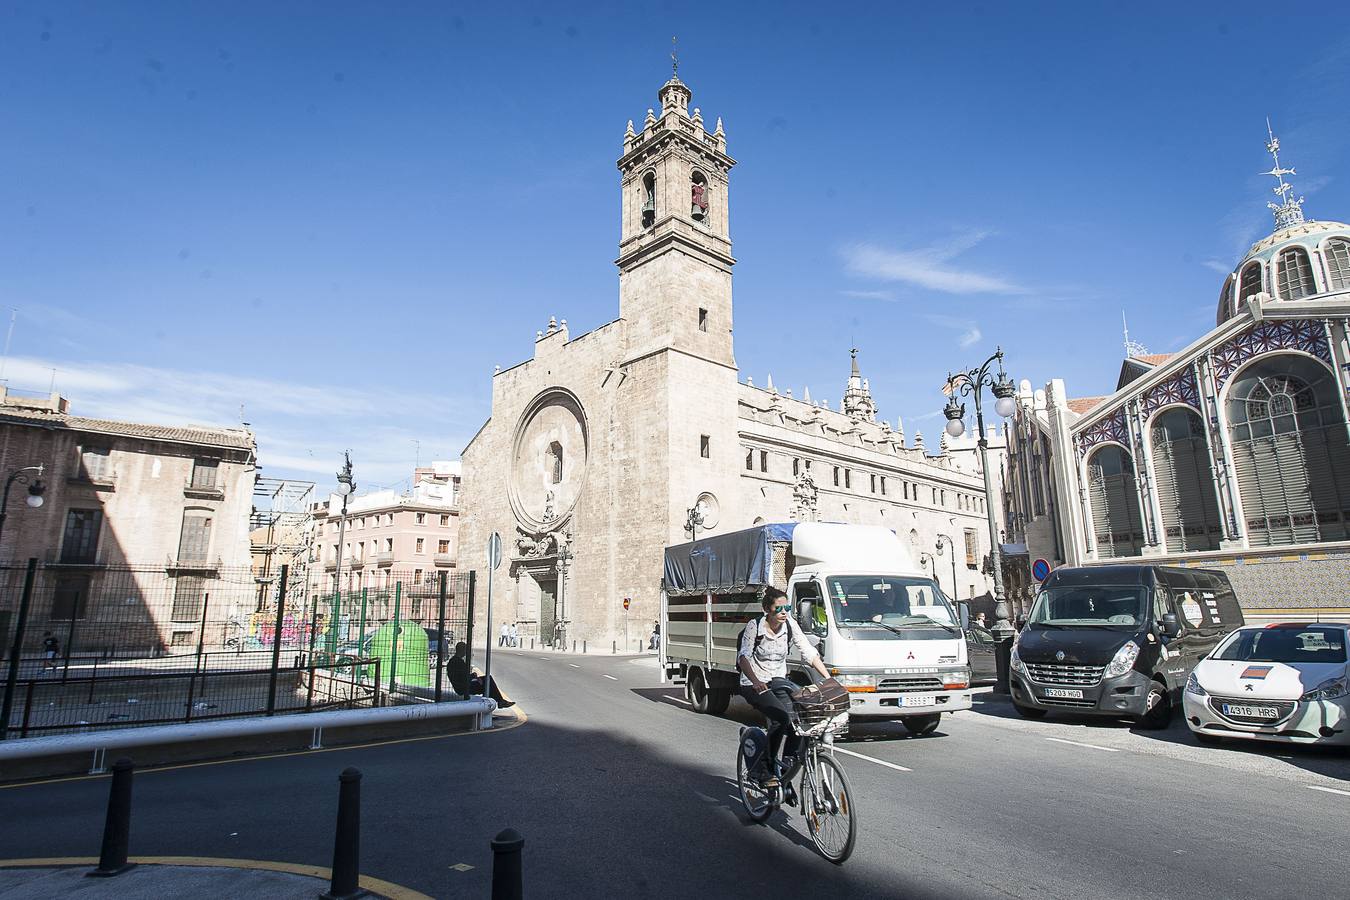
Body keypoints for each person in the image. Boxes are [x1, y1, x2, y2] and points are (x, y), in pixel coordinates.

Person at [737, 587, 830, 787]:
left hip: (778, 680)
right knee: (781, 716)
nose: (783, 612)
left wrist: (829, 678)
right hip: (754, 683)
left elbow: (808, 651)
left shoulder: (789, 624)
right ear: (766, 609)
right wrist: (755, 681)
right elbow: (743, 657)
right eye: (778, 608)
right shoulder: (755, 627)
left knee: (799, 718)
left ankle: (786, 766)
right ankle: (765, 767)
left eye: (786, 607)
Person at [446, 642, 514, 708]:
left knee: (487, 680)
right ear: (462, 650)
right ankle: (494, 703)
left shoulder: (454, 660)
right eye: (465, 650)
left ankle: (498, 702)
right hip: (463, 687)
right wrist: (473, 676)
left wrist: (473, 676)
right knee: (488, 681)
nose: (466, 652)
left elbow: (461, 676)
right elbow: (463, 678)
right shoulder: (457, 662)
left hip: (463, 685)